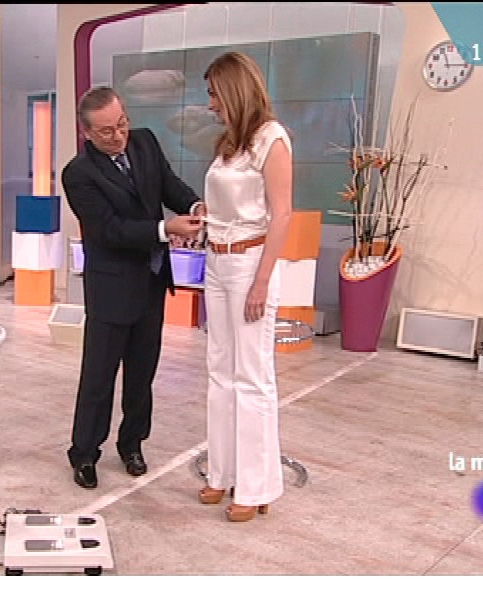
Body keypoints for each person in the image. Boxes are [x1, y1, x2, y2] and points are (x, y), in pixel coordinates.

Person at [63, 86, 205, 489]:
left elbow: (169, 185)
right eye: (107, 131)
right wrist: (164, 229)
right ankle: (84, 453)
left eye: (122, 124)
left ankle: (132, 444)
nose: (119, 136)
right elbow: (109, 230)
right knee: (99, 377)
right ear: (87, 132)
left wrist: (193, 206)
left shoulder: (144, 142)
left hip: (151, 281)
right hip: (111, 290)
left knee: (142, 375)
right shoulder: (79, 174)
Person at [198, 51, 293, 522]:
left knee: (252, 377)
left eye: (214, 94)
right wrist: (205, 213)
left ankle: (256, 488)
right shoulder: (227, 144)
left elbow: (282, 214)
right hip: (216, 260)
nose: (210, 104)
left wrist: (261, 281)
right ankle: (221, 473)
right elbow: (227, 202)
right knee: (219, 370)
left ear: (233, 90)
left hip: (250, 262)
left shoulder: (271, 139)